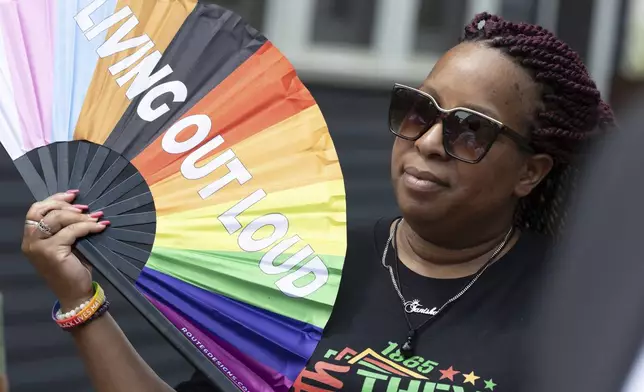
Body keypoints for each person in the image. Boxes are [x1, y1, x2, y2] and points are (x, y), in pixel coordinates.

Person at [19, 12, 614, 392]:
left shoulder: (577, 307)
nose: (429, 142)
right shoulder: (301, 262)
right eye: (420, 110)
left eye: (469, 129)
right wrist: (81, 301)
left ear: (530, 173)